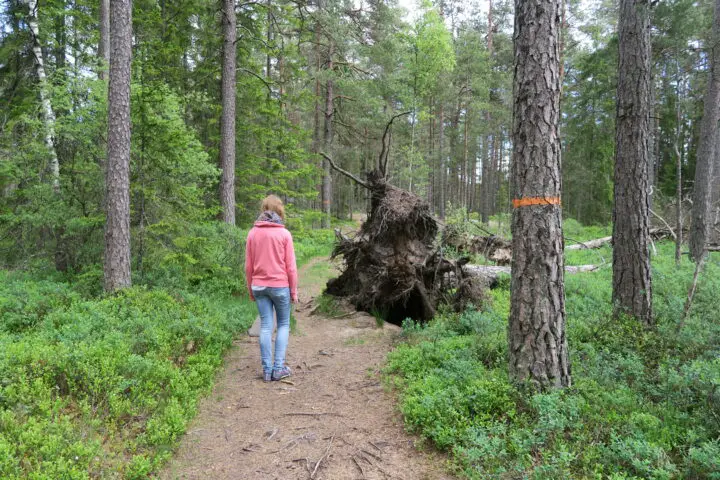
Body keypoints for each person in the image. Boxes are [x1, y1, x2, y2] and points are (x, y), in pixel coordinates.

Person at [245, 195, 298, 382]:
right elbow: (290, 267)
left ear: (263, 209)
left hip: (258, 286)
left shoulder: (253, 233)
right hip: (280, 286)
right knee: (283, 325)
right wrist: (294, 291)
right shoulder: (284, 234)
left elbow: (248, 266)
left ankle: (267, 371)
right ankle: (278, 368)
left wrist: (250, 289)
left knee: (266, 326)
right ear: (280, 211)